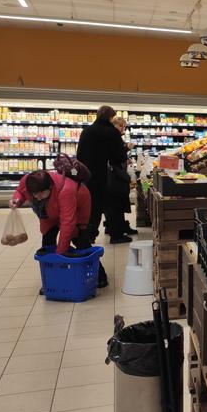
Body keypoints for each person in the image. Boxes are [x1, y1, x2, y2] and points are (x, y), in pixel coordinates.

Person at [10, 170, 100, 290]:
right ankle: (51, 281)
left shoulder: (66, 190)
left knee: (81, 242)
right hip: (50, 213)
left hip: (77, 208)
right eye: (34, 194)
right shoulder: (29, 180)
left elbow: (68, 223)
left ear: (50, 187)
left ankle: (99, 277)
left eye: (41, 194)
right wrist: (17, 200)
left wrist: (60, 253)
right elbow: (20, 191)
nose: (37, 197)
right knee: (47, 244)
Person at [77, 105, 130, 246]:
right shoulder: (111, 132)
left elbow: (79, 155)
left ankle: (87, 237)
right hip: (105, 175)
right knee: (110, 205)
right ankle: (116, 234)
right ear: (110, 117)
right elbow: (119, 156)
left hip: (87, 176)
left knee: (92, 207)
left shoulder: (86, 131)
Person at [104, 116, 138, 239]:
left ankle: (118, 226)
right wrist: (126, 148)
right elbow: (115, 155)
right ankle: (116, 234)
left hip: (115, 174)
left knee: (118, 203)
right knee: (115, 204)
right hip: (113, 176)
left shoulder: (115, 137)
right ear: (113, 126)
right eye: (120, 126)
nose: (123, 128)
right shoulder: (112, 137)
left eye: (124, 126)